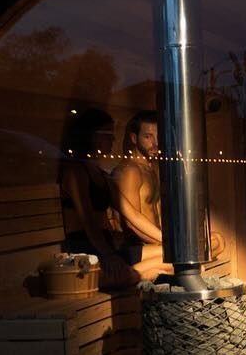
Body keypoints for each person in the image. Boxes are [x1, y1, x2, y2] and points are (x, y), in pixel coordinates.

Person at [113, 109, 224, 280]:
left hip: (156, 243)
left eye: (159, 136)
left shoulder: (152, 168)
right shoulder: (130, 171)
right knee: (193, 253)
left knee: (216, 241)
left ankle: (171, 266)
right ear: (134, 138)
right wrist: (169, 243)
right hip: (137, 248)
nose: (156, 143)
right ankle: (132, 273)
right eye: (148, 137)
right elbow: (130, 223)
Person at [57, 108, 140, 289]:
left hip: (108, 245)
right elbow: (88, 221)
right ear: (92, 136)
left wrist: (164, 240)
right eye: (108, 133)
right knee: (133, 276)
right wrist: (109, 256)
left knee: (166, 258)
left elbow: (132, 214)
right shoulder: (76, 172)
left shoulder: (102, 175)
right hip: (86, 250)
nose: (113, 139)